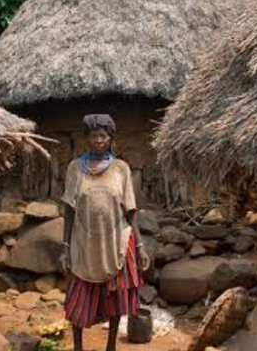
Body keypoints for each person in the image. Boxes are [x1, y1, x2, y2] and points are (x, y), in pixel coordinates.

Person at [59, 114, 151, 351]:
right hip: (83, 244)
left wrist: (140, 247)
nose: (99, 140)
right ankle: (78, 347)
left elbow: (130, 209)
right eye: (93, 136)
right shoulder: (74, 169)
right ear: (86, 139)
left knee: (115, 298)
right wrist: (65, 247)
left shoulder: (121, 169)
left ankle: (111, 346)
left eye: (104, 136)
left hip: (117, 243)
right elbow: (69, 209)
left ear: (111, 138)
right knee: (77, 299)